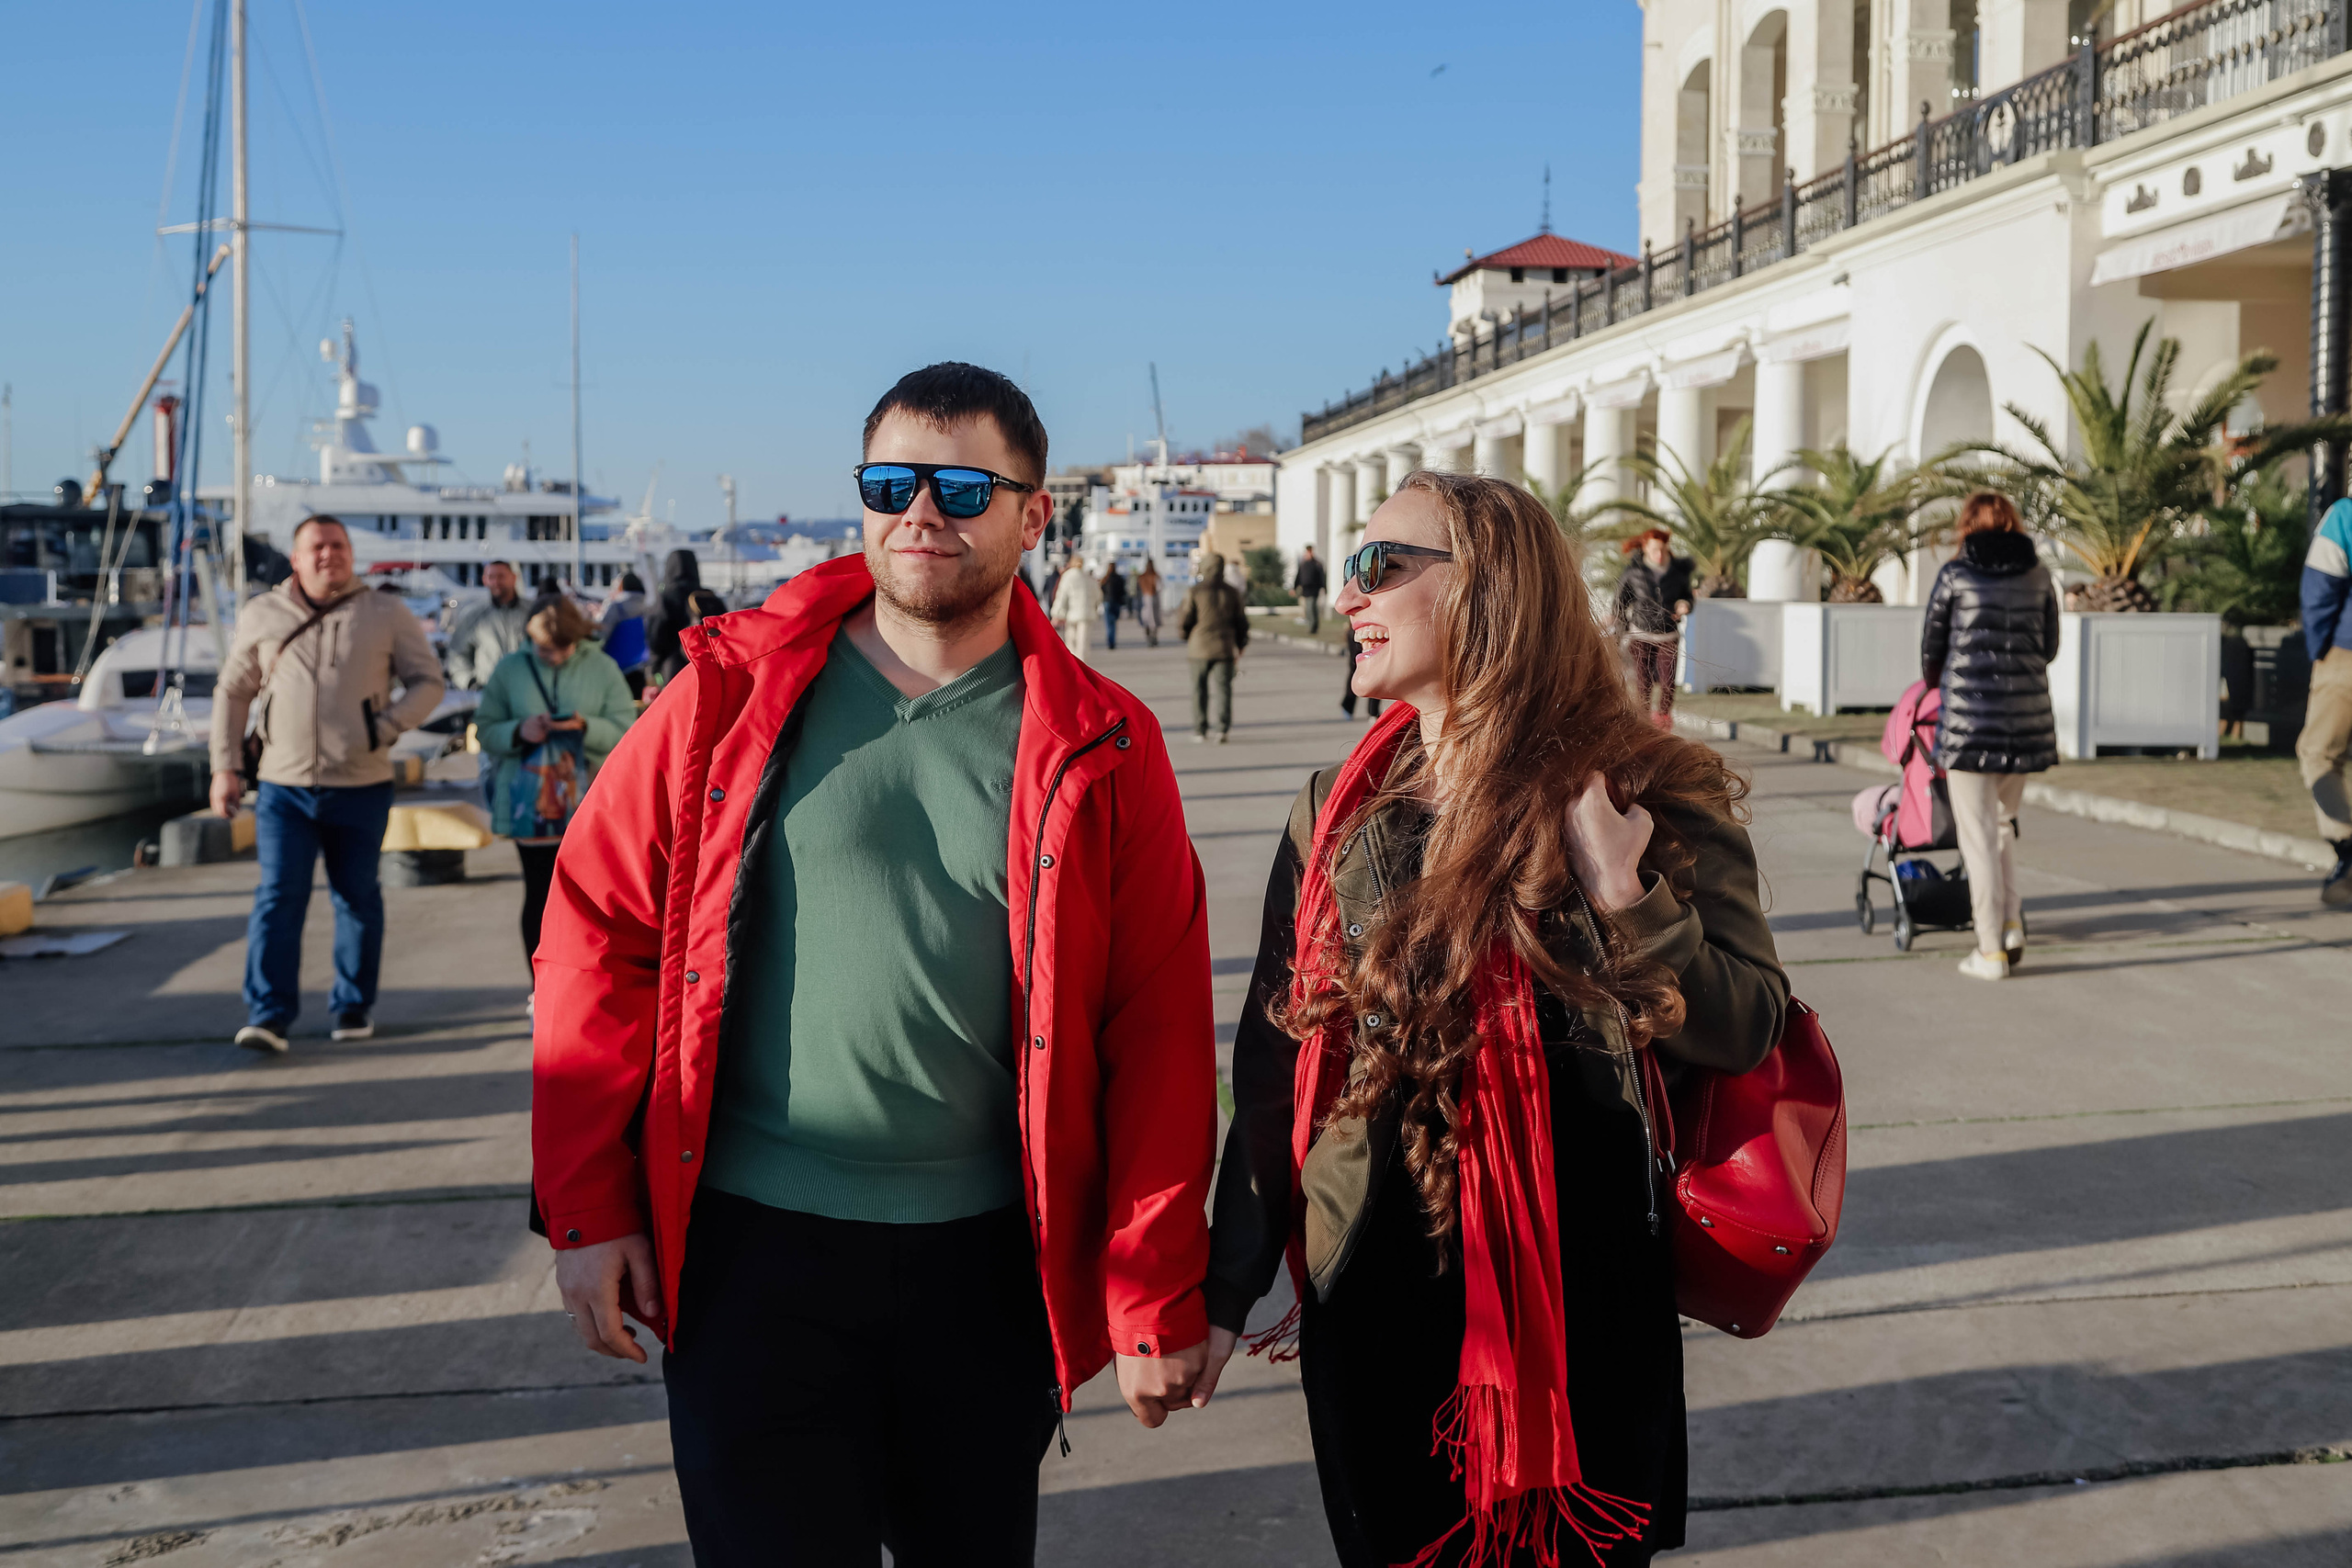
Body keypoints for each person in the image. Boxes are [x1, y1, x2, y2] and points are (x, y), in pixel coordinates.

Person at [530, 362, 1216, 1567]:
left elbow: (1154, 1023)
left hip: (986, 1266)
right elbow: (595, 928)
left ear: (1033, 513)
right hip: (752, 1256)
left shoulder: (1105, 740)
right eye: (890, 482)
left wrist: (1153, 1284)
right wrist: (587, 1208)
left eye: (961, 485)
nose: (921, 513)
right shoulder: (727, 698)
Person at [1194, 471, 1786, 1568]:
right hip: (1369, 1278)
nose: (1346, 599)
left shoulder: (1644, 790)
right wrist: (1224, 1292)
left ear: (1488, 590)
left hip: (1587, 1288)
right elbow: (1273, 1066)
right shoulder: (1334, 811)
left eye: (1380, 568)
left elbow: (1745, 1024)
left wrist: (1626, 897)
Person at [208, 514, 447, 1053]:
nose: (327, 555)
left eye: (337, 546)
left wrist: (383, 728)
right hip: (282, 786)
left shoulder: (385, 612)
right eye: (316, 547)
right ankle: (268, 1016)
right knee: (277, 897)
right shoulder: (263, 613)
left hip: (360, 783)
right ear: (295, 558)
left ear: (350, 553)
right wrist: (224, 767)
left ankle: (352, 1005)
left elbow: (428, 682)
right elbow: (233, 691)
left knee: (357, 897)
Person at [1920, 490, 2061, 979]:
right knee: (2003, 827)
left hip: (1968, 728)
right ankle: (2012, 923)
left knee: (1978, 835)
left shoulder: (1955, 575)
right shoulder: (2040, 575)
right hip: (2024, 725)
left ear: (1967, 527)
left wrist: (1945, 683)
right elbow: (2049, 646)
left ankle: (1989, 949)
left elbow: (1930, 650)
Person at [473, 595, 637, 983]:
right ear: (531, 640)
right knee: (539, 893)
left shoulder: (601, 667)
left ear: (577, 640)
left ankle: (585, 980)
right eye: (546, 650)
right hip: (528, 803)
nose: (555, 657)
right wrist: (518, 730)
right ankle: (540, 986)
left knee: (592, 898)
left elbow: (628, 730)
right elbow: (485, 729)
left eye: (563, 648)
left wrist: (585, 727)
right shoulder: (511, 669)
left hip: (590, 801)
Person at [2298, 495, 2352, 905]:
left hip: (2346, 655)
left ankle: (2347, 849)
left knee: (2319, 754)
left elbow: (2320, 587)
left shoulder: (2346, 516)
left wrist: (2321, 650)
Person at [1612, 530, 1692, 731]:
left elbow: (1687, 596)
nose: (1659, 554)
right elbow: (1619, 603)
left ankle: (1664, 719)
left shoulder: (1676, 572)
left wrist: (1684, 605)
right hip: (1641, 633)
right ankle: (1644, 722)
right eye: (1655, 549)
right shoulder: (1633, 572)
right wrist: (1620, 632)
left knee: (1668, 681)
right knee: (1643, 681)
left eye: (1663, 549)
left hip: (1668, 633)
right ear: (1646, 548)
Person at [1181, 550, 1249, 743]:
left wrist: (1186, 636)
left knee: (1198, 690)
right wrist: (1241, 644)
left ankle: (1200, 730)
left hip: (1199, 648)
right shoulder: (1232, 592)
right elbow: (1241, 622)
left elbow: (1186, 619)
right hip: (1224, 647)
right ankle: (1222, 729)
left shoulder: (1195, 591)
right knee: (1223, 689)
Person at [443, 559, 527, 691]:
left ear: (514, 578)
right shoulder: (473, 616)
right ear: (484, 580)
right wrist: (469, 682)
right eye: (491, 577)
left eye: (501, 576)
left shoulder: (532, 613)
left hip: (527, 692)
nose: (496, 582)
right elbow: (456, 654)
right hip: (488, 693)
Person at [645, 549, 702, 686]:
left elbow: (656, 636)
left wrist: (654, 668)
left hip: (674, 671)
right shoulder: (707, 597)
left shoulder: (666, 598)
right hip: (706, 669)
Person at [597, 571, 652, 700]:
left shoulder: (616, 607)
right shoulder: (648, 608)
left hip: (614, 666)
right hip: (640, 667)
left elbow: (601, 634)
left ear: (621, 586)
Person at [1049, 548, 1102, 661]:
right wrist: (1095, 606)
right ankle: (1083, 663)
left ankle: (1073, 664)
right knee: (1083, 641)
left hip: (1072, 613)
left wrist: (1056, 613)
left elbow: (1061, 596)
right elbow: (1098, 595)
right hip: (1087, 613)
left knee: (1071, 640)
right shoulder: (1088, 577)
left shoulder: (1068, 576)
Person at [1339, 620, 1382, 721]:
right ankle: (1350, 706)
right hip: (1360, 630)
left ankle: (1372, 711)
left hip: (1366, 629)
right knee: (1357, 669)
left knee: (1376, 670)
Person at [1294, 544, 1328, 635]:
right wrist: (1294, 587)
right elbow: (1299, 576)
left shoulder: (1317, 564)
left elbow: (1322, 576)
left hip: (1314, 589)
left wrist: (1324, 587)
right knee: (1308, 609)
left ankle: (1312, 627)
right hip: (1305, 589)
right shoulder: (1303, 563)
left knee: (1311, 608)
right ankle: (1312, 626)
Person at [1101, 559, 1128, 651]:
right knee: (1113, 623)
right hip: (1116, 602)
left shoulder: (1105, 579)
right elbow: (1123, 591)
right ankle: (1112, 640)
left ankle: (1110, 641)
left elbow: (1101, 591)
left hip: (1107, 602)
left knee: (1108, 623)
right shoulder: (1119, 579)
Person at [1135, 558, 1163, 648]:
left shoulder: (1142, 576)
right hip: (1153, 599)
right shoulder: (1155, 576)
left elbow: (1138, 589)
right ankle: (1153, 637)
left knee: (1147, 620)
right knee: (1153, 620)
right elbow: (1160, 587)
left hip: (1145, 599)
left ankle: (1149, 638)